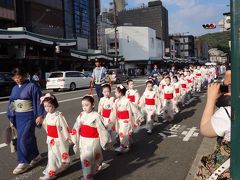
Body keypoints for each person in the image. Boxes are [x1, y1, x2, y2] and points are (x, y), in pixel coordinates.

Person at [7, 67, 44, 175]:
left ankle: (23, 161)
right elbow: (12, 103)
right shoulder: (14, 88)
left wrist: (40, 115)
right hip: (18, 116)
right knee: (29, 137)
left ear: (24, 75)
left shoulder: (32, 86)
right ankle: (36, 156)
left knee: (23, 138)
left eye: (18, 77)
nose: (17, 80)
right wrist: (11, 116)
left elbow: (38, 101)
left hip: (29, 116)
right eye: (14, 78)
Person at [195, 70, 231, 180]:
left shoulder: (228, 113)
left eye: (227, 86)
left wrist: (211, 99)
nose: (224, 88)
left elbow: (205, 129)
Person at [71, 95, 111, 180]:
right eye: (83, 105)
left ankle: (88, 176)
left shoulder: (96, 116)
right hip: (83, 140)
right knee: (85, 158)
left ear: (93, 105)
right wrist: (73, 136)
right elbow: (76, 126)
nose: (84, 107)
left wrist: (105, 140)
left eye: (86, 105)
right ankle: (88, 175)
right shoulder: (81, 114)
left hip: (92, 141)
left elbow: (102, 130)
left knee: (88, 158)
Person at [39, 93, 71, 180]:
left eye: (49, 106)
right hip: (51, 139)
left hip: (59, 139)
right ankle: (50, 174)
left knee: (60, 155)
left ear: (54, 105)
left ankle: (65, 165)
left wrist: (67, 137)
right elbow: (46, 125)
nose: (47, 108)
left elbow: (64, 127)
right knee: (52, 157)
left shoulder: (59, 115)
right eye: (45, 106)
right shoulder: (48, 115)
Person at [112, 84, 144, 153]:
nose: (114, 93)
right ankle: (128, 144)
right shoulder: (117, 101)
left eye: (116, 92)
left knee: (123, 133)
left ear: (120, 93)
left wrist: (137, 118)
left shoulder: (127, 101)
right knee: (123, 133)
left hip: (126, 120)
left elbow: (134, 110)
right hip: (120, 120)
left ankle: (123, 147)